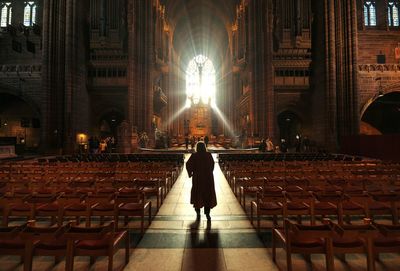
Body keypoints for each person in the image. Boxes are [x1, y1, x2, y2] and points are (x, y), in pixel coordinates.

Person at [186, 141, 217, 221]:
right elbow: (212, 165)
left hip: (198, 178)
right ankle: (207, 214)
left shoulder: (194, 156)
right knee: (207, 194)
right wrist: (209, 172)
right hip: (207, 178)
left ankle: (198, 212)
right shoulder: (208, 155)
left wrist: (191, 173)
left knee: (198, 193)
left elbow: (188, 164)